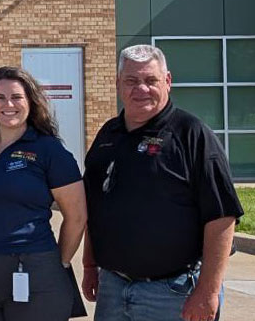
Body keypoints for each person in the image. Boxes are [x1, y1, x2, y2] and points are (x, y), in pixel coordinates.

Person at [81, 45, 244, 321]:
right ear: (118, 83)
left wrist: (207, 292)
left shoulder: (192, 136)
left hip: (174, 293)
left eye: (150, 80)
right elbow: (95, 207)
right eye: (131, 81)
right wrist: (89, 265)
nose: (141, 89)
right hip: (113, 289)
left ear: (167, 81)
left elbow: (222, 217)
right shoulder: (108, 135)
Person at [0, 67, 88, 320]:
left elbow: (77, 216)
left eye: (17, 97)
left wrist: (58, 262)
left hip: (35, 268)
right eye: (0, 97)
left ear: (30, 101)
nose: (9, 104)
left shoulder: (49, 150)